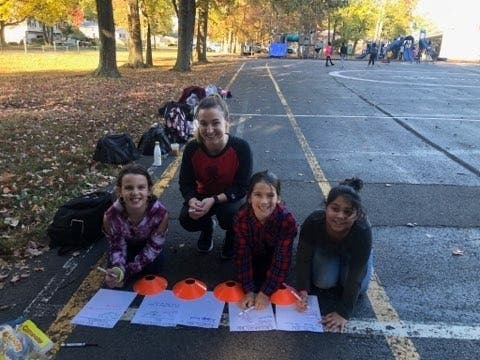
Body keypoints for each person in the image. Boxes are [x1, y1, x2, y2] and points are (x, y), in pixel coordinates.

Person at [179, 94, 252, 259]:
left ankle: (231, 236)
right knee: (186, 218)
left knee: (231, 215)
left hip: (230, 197)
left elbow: (242, 186)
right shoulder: (192, 148)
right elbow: (185, 183)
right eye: (203, 123)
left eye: (215, 122)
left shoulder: (241, 148)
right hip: (203, 195)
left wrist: (214, 199)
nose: (209, 130)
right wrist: (192, 201)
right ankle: (207, 228)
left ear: (227, 121)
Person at [295, 178, 373, 332]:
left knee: (360, 288)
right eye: (335, 209)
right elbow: (303, 258)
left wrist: (344, 313)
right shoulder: (313, 221)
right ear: (326, 207)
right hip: (328, 250)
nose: (340, 216)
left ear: (357, 215)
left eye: (348, 212)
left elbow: (356, 274)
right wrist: (302, 290)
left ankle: (368, 257)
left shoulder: (362, 230)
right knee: (322, 281)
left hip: (353, 254)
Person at [234, 171, 298, 310]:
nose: (264, 201)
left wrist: (265, 292)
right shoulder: (241, 217)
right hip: (253, 256)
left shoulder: (287, 220)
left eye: (270, 195)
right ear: (249, 197)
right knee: (246, 278)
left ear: (279, 198)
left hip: (274, 257)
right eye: (258, 195)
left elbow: (282, 259)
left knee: (274, 280)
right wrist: (249, 291)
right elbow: (242, 255)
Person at [103, 164, 169, 288]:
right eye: (128, 188)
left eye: (141, 187)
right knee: (113, 274)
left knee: (157, 265)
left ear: (149, 191)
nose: (135, 193)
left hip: (147, 244)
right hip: (125, 245)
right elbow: (117, 246)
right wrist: (118, 270)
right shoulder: (110, 216)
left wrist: (127, 272)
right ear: (120, 191)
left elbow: (153, 248)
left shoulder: (160, 214)